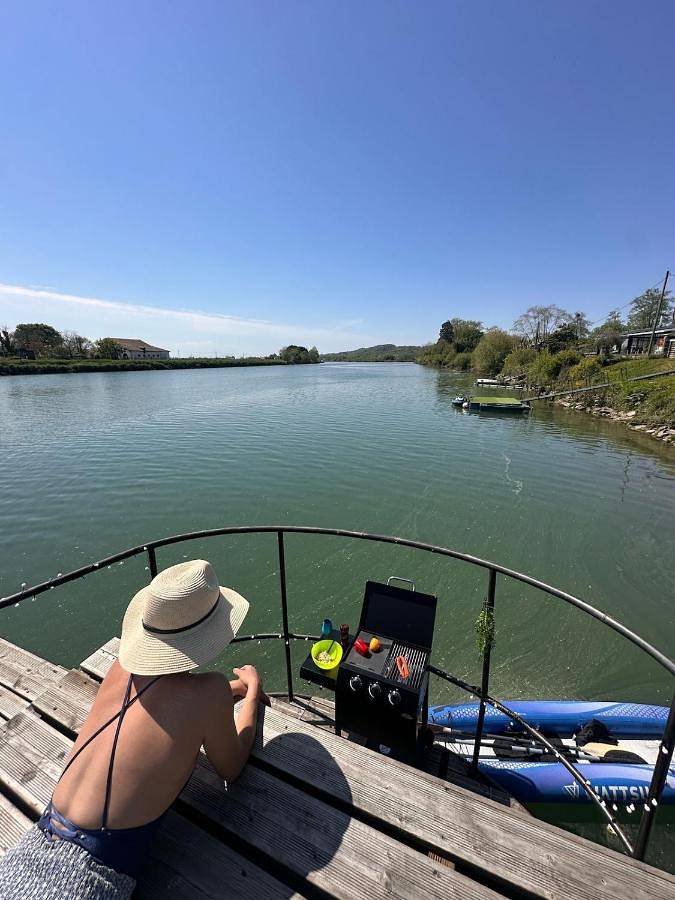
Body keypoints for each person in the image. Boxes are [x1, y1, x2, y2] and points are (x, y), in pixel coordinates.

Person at [0, 559, 267, 899]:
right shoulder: (208, 692)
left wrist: (230, 691)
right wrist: (253, 691)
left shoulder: (120, 667)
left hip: (34, 845)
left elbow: (165, 704)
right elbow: (232, 766)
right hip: (85, 876)